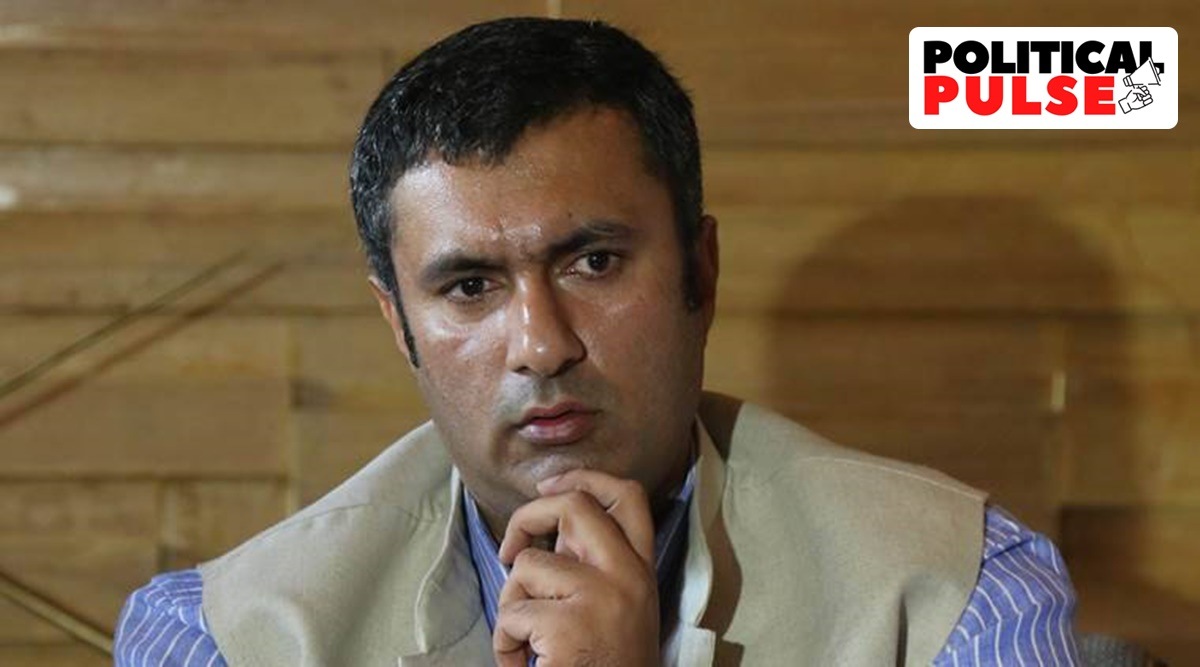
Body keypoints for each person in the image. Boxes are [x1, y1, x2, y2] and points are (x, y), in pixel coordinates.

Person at [114, 17, 1081, 666]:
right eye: (469, 287)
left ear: (701, 273)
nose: (542, 347)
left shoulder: (961, 593)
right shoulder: (220, 637)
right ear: (398, 322)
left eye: (594, 262)